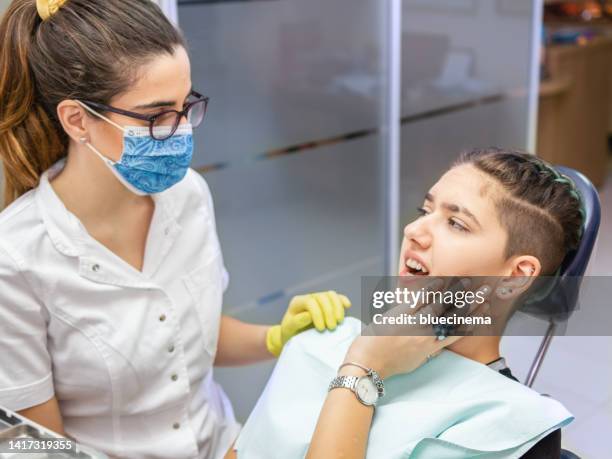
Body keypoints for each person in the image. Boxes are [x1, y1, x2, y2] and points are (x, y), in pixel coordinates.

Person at [0, 1, 351, 458]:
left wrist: (275, 337)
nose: (183, 130)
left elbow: (189, 336)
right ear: (78, 120)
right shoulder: (16, 258)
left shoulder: (188, 194)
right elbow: (41, 447)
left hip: (227, 444)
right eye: (156, 115)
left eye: (186, 106)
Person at [231, 148, 585, 459]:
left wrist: (362, 370)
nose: (414, 230)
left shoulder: (515, 430)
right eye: (425, 210)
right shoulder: (321, 342)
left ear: (515, 276)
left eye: (456, 224)